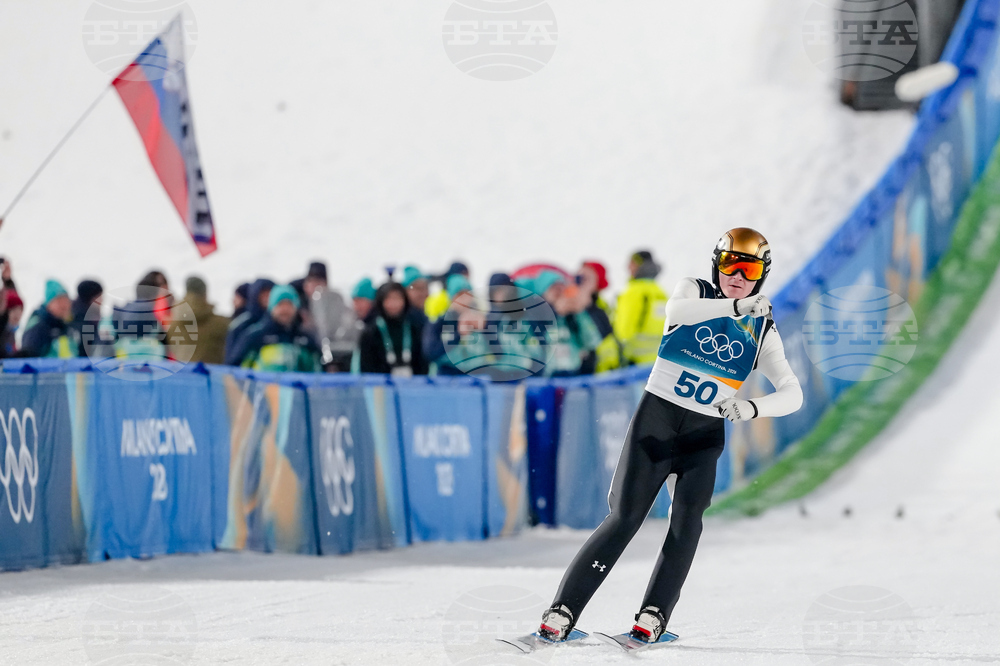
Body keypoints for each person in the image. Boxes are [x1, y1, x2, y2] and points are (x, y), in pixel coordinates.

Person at [537, 228, 803, 645]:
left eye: (747, 268)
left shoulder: (762, 328)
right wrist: (736, 306)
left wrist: (753, 407)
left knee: (686, 525)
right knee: (624, 518)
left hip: (703, 435)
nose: (736, 274)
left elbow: (793, 393)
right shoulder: (693, 290)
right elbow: (679, 312)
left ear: (761, 274)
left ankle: (653, 615)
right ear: (716, 265)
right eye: (729, 263)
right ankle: (562, 612)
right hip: (656, 423)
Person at [235, 285, 322, 372]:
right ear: (272, 307)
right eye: (280, 304)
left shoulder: (307, 339)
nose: (285, 309)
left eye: (289, 304)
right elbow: (235, 369)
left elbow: (317, 371)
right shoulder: (255, 337)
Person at [358, 282, 428, 377]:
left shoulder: (414, 327)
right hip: (380, 386)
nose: (393, 304)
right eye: (388, 299)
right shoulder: (371, 331)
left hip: (412, 385)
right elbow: (366, 367)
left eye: (397, 298)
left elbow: (422, 362)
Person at [614, 250, 669, 366]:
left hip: (633, 361)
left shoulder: (634, 292)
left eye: (632, 263)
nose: (628, 267)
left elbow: (624, 331)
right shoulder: (660, 292)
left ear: (640, 265)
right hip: (656, 361)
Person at [168, 276, 229, 364]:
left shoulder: (173, 323)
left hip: (181, 374)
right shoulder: (220, 324)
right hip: (209, 374)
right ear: (205, 294)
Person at [578, 261, 621, 374]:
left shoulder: (599, 308)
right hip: (590, 369)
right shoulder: (575, 309)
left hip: (602, 369)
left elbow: (607, 335)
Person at [21, 280, 79, 358]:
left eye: (66, 301)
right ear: (49, 304)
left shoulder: (70, 325)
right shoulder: (39, 326)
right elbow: (29, 356)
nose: (64, 306)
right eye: (59, 302)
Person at [224, 278, 275, 365]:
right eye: (263, 294)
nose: (267, 298)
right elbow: (232, 358)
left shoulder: (282, 324)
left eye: (270, 294)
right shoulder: (242, 324)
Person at [2, 291, 23, 356]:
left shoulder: (11, 332)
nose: (17, 315)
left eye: (20, 310)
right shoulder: (3, 332)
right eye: (14, 310)